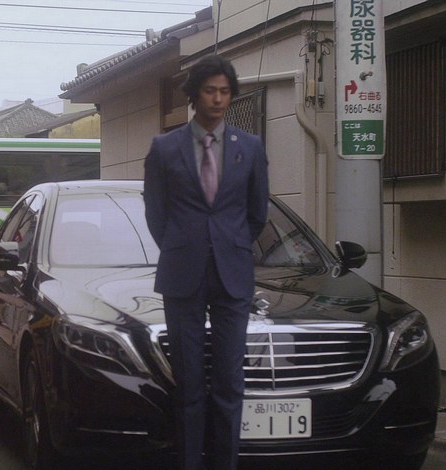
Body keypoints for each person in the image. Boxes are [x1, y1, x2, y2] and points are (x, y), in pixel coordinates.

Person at [143, 55, 269, 470]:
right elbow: (156, 213)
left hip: (233, 273)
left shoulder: (250, 147)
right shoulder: (164, 148)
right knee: (189, 384)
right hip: (182, 274)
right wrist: (182, 246)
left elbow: (257, 213)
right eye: (211, 91)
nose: (218, 99)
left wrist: (231, 245)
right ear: (195, 95)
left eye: (225, 92)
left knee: (230, 383)